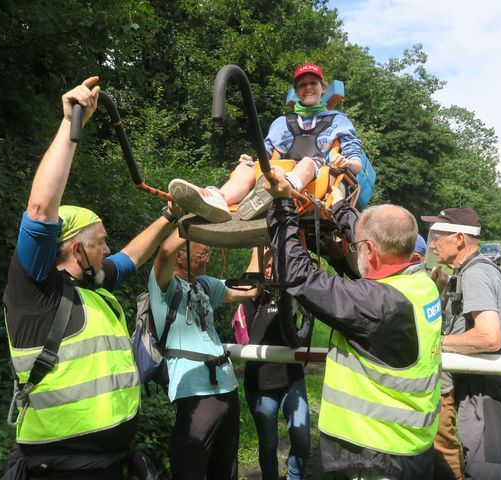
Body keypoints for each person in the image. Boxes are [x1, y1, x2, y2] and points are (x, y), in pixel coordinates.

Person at [2, 77, 179, 479]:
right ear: (77, 249)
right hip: (60, 469)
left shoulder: (92, 289)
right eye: (100, 242)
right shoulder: (38, 292)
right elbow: (41, 208)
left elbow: (132, 258)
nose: (107, 249)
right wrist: (70, 124)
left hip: (105, 464)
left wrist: (171, 215)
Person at [264, 170, 443, 480]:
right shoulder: (420, 284)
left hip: (375, 457)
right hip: (407, 448)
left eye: (360, 245)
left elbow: (298, 277)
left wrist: (282, 205)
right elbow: (375, 241)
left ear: (370, 250)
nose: (355, 248)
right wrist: (342, 210)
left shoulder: (377, 303)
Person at [168, 62, 365, 223]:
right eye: (302, 85)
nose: (308, 88)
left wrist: (347, 163)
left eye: (313, 83)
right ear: (296, 92)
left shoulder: (338, 120)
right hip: (277, 174)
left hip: (314, 178)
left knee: (307, 162)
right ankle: (217, 199)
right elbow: (267, 156)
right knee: (245, 167)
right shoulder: (281, 123)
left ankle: (281, 192)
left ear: (322, 88)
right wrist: (250, 161)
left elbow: (355, 162)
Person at [421, 208, 501, 480]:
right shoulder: (472, 269)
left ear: (458, 239)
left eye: (438, 237)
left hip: (487, 390)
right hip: (485, 387)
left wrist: (438, 342)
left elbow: (489, 337)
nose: (432, 244)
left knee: (486, 471)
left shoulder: (475, 274)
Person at [148, 231, 258, 480]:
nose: (207, 260)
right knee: (190, 470)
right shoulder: (164, 287)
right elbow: (163, 251)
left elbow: (248, 290)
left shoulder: (205, 284)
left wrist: (256, 245)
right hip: (194, 392)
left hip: (227, 387)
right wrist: (191, 220)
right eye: (202, 254)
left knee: (226, 468)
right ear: (180, 257)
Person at [239, 248, 311, 480]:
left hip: (291, 379)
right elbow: (250, 280)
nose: (271, 271)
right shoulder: (254, 298)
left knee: (302, 439)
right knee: (268, 443)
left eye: (276, 266)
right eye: (267, 267)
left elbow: (305, 274)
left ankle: (294, 476)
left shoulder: (291, 295)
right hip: (260, 382)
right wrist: (257, 246)